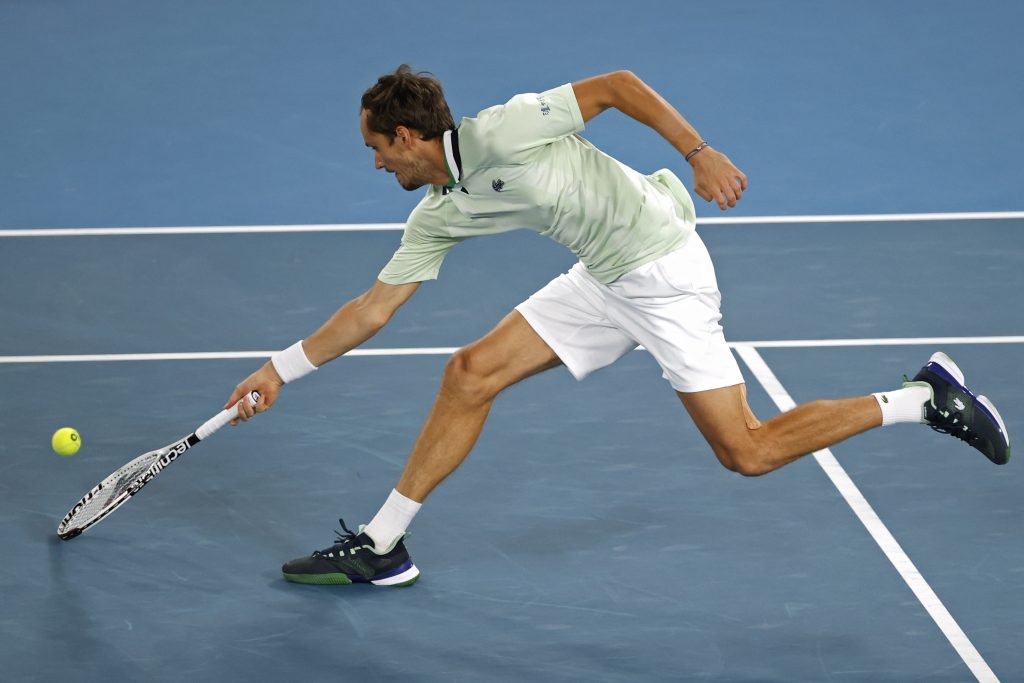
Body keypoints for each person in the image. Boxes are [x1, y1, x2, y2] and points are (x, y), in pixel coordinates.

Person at [224, 65, 1011, 587]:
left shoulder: (503, 128)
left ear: (407, 138)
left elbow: (615, 87)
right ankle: (384, 543)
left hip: (663, 273)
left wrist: (699, 152)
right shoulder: (440, 212)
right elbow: (372, 307)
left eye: (375, 149)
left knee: (747, 449)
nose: (373, 165)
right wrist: (277, 369)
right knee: (469, 372)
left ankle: (923, 397)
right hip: (602, 273)